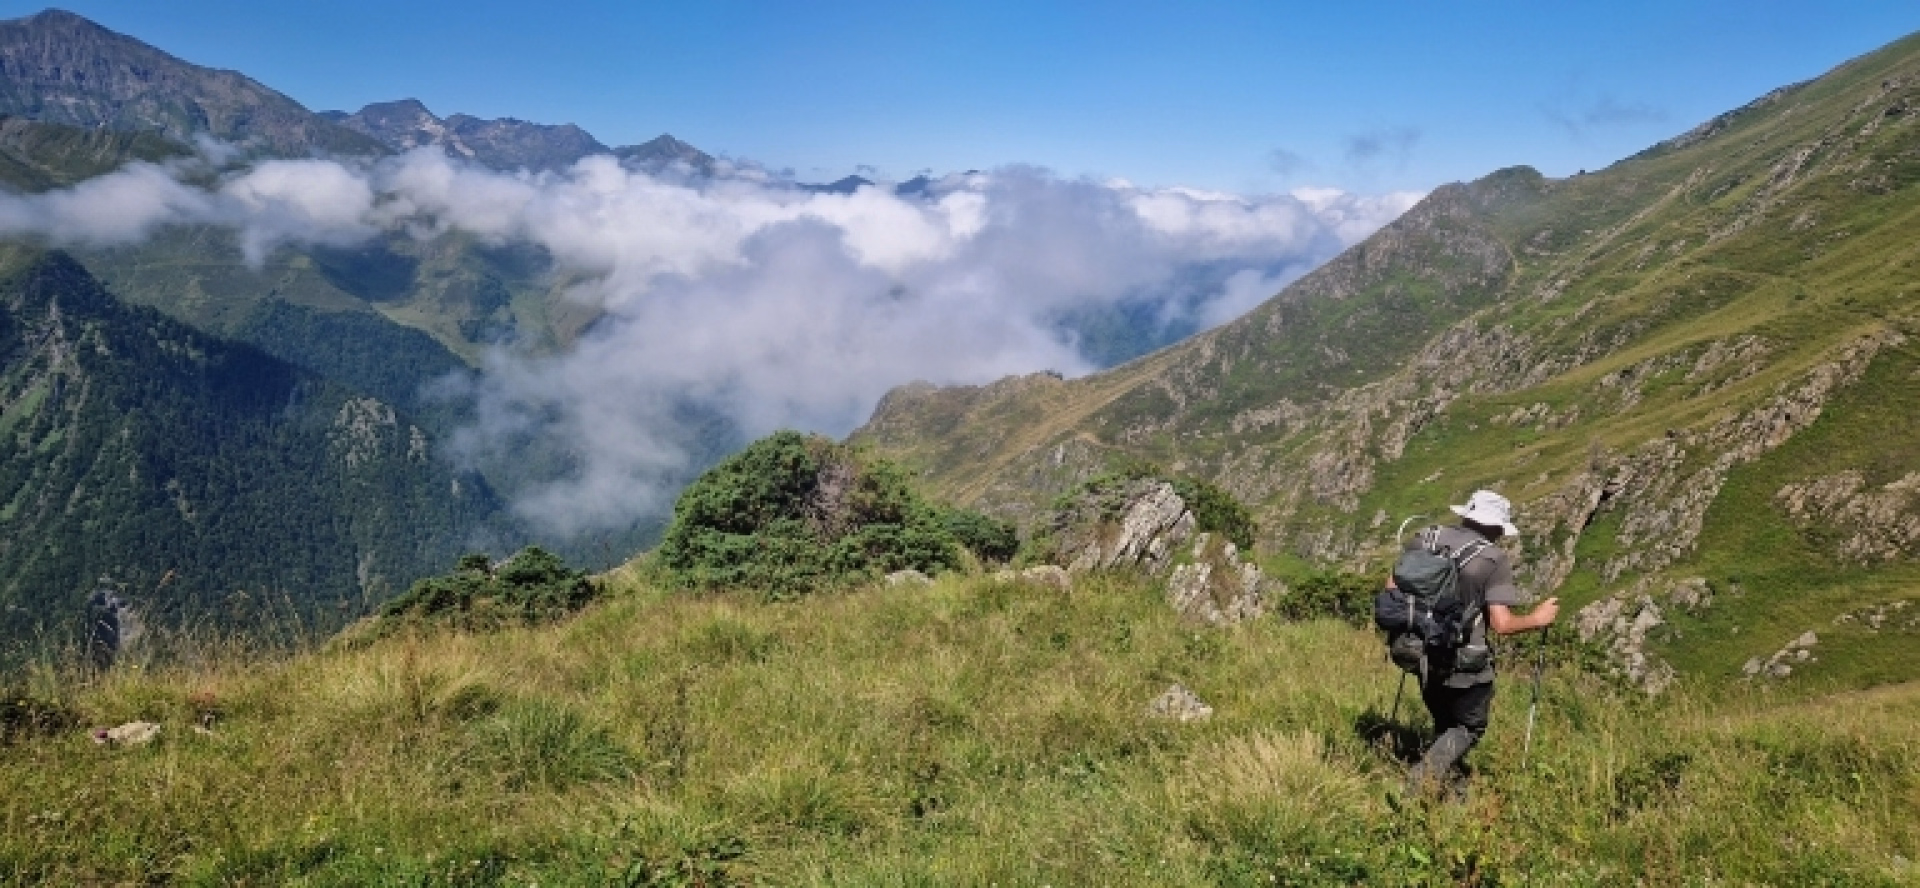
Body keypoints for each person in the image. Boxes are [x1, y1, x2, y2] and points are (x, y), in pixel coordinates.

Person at [1401, 489, 1558, 799]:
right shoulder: (1492, 559)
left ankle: (1455, 797)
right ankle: (1418, 784)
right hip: (1463, 661)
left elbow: (1393, 587)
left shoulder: (1425, 538)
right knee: (1468, 728)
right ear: (1496, 527)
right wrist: (1538, 619)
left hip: (1419, 649)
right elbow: (1501, 624)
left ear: (1466, 514)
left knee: (1445, 723)